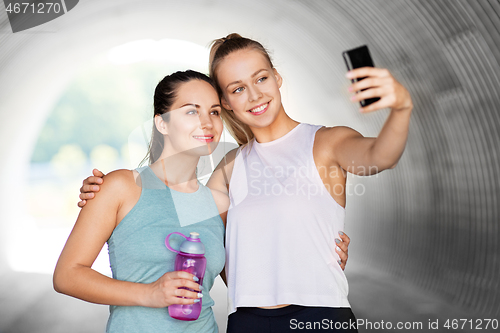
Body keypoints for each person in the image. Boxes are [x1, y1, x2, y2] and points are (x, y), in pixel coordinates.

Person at [80, 33, 410, 332]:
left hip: (319, 317)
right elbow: (182, 221)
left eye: (261, 78)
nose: (254, 95)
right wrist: (105, 191)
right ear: (226, 102)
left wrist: (401, 107)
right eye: (238, 88)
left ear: (277, 78)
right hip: (247, 322)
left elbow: (380, 156)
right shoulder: (229, 166)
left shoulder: (326, 142)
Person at [53, 70, 230, 333]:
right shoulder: (121, 187)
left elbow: (247, 285)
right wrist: (150, 294)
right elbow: (67, 275)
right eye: (191, 111)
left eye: (214, 112)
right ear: (162, 123)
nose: (207, 122)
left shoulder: (219, 203)